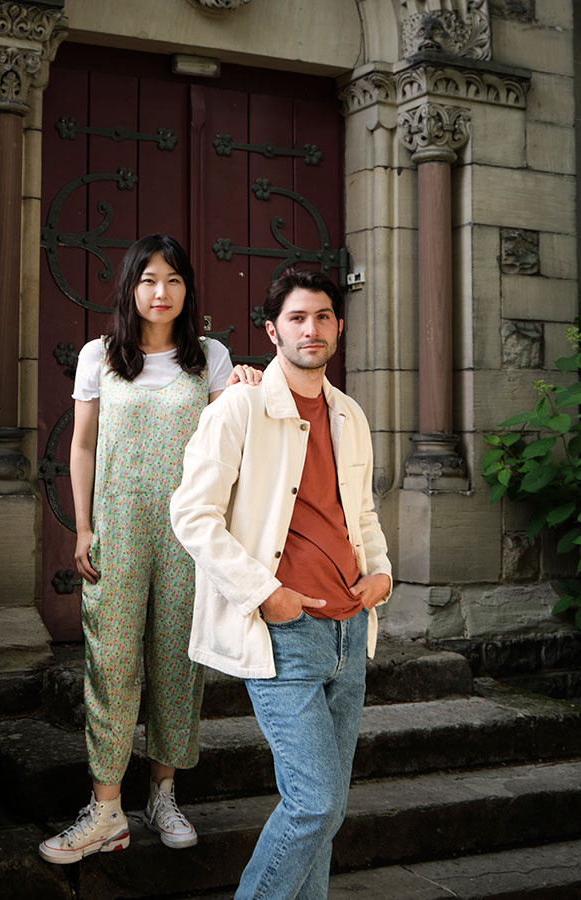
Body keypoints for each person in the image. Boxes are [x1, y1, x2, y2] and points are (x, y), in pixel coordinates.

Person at [170, 268, 393, 899]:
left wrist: (380, 573)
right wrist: (265, 593)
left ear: (339, 327)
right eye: (297, 318)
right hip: (284, 633)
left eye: (323, 316)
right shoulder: (240, 408)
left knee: (325, 816)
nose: (311, 329)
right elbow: (191, 513)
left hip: (350, 631)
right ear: (273, 331)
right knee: (314, 805)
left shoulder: (349, 413)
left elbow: (362, 511)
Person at [39, 234, 260, 865]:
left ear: (188, 290)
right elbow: (81, 447)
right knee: (110, 663)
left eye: (173, 281)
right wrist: (82, 529)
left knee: (176, 664)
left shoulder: (209, 358)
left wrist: (247, 385)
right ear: (130, 288)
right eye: (147, 280)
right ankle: (105, 810)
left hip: (189, 537)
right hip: (118, 529)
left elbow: (233, 447)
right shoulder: (100, 357)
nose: (160, 293)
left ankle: (163, 793)